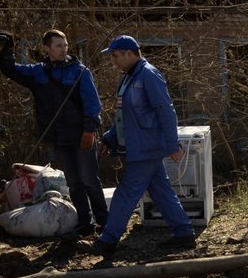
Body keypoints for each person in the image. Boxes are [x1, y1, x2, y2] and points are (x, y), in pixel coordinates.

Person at [79, 35, 195, 258]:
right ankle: (184, 234)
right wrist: (110, 136)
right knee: (160, 190)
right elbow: (125, 116)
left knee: (125, 193)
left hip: (147, 146)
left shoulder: (148, 75)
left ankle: (108, 240)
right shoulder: (128, 77)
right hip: (139, 144)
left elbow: (166, 111)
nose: (113, 60)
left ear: (129, 53)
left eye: (115, 55)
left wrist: (172, 145)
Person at [0, 29, 108, 236]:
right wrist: (8, 48)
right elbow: (10, 69)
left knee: (89, 180)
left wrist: (89, 131)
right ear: (46, 48)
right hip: (60, 137)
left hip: (83, 135)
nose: (63, 49)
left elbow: (93, 104)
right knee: (74, 184)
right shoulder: (38, 72)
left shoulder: (80, 71)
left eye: (65, 45)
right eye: (58, 45)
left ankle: (106, 223)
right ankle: (85, 224)